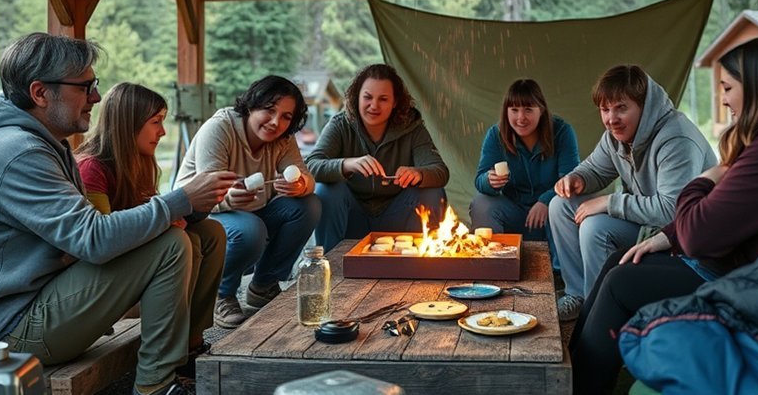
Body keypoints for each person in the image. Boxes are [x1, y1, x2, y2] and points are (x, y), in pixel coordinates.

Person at [0, 33, 236, 395]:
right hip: (2, 333)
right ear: (40, 93)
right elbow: (93, 240)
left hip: (31, 303)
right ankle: (158, 386)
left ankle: (187, 353)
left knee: (203, 234)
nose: (96, 96)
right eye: (85, 86)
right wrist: (179, 200)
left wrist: (192, 206)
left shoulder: (39, 144)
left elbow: (84, 240)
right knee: (170, 245)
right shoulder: (18, 152)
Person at [569, 37, 758, 395]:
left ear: (757, 86)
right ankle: (570, 371)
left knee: (621, 284)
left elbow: (699, 232)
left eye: (727, 87)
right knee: (622, 259)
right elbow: (723, 211)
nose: (722, 98)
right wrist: (670, 234)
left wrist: (711, 173)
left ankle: (581, 386)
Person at [549, 65, 717, 322]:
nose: (611, 119)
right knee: (560, 205)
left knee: (595, 227)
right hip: (644, 222)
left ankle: (598, 313)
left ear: (645, 106)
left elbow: (672, 210)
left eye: (621, 108)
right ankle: (578, 295)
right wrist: (577, 178)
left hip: (679, 237)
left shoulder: (677, 139)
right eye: (605, 109)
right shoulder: (615, 136)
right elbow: (595, 168)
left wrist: (609, 202)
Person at [75, 83, 224, 365]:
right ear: (128, 124)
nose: (163, 131)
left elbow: (153, 216)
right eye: (155, 122)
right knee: (185, 242)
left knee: (211, 232)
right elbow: (102, 236)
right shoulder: (91, 168)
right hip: (105, 276)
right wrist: (173, 217)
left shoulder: (139, 163)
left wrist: (200, 205)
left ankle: (192, 340)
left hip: (140, 259)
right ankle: (170, 355)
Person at [175, 75, 320, 329]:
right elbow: (205, 192)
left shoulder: (283, 139)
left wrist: (300, 186)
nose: (276, 122)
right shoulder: (219, 128)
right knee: (251, 229)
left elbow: (304, 174)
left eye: (287, 116)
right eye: (270, 110)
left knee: (309, 205)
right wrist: (229, 196)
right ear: (252, 104)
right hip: (205, 213)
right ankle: (221, 294)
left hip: (253, 212)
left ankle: (263, 285)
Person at [306, 63, 449, 251]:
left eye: (383, 99)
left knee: (431, 191)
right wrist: (347, 164)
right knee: (327, 190)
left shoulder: (412, 128)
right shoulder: (341, 125)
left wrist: (419, 174)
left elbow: (440, 171)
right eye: (367, 97)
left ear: (395, 102)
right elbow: (311, 166)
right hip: (353, 217)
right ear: (356, 97)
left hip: (396, 216)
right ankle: (331, 261)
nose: (374, 105)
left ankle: (420, 263)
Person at [471, 79, 579, 266]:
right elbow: (479, 180)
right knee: (481, 202)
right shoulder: (496, 135)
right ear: (506, 112)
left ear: (541, 110)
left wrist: (546, 200)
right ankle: (491, 267)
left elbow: (570, 179)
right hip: (515, 213)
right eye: (514, 110)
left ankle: (561, 275)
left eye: (528, 109)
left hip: (552, 215)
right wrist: (489, 181)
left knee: (564, 202)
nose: (521, 118)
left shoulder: (562, 132)